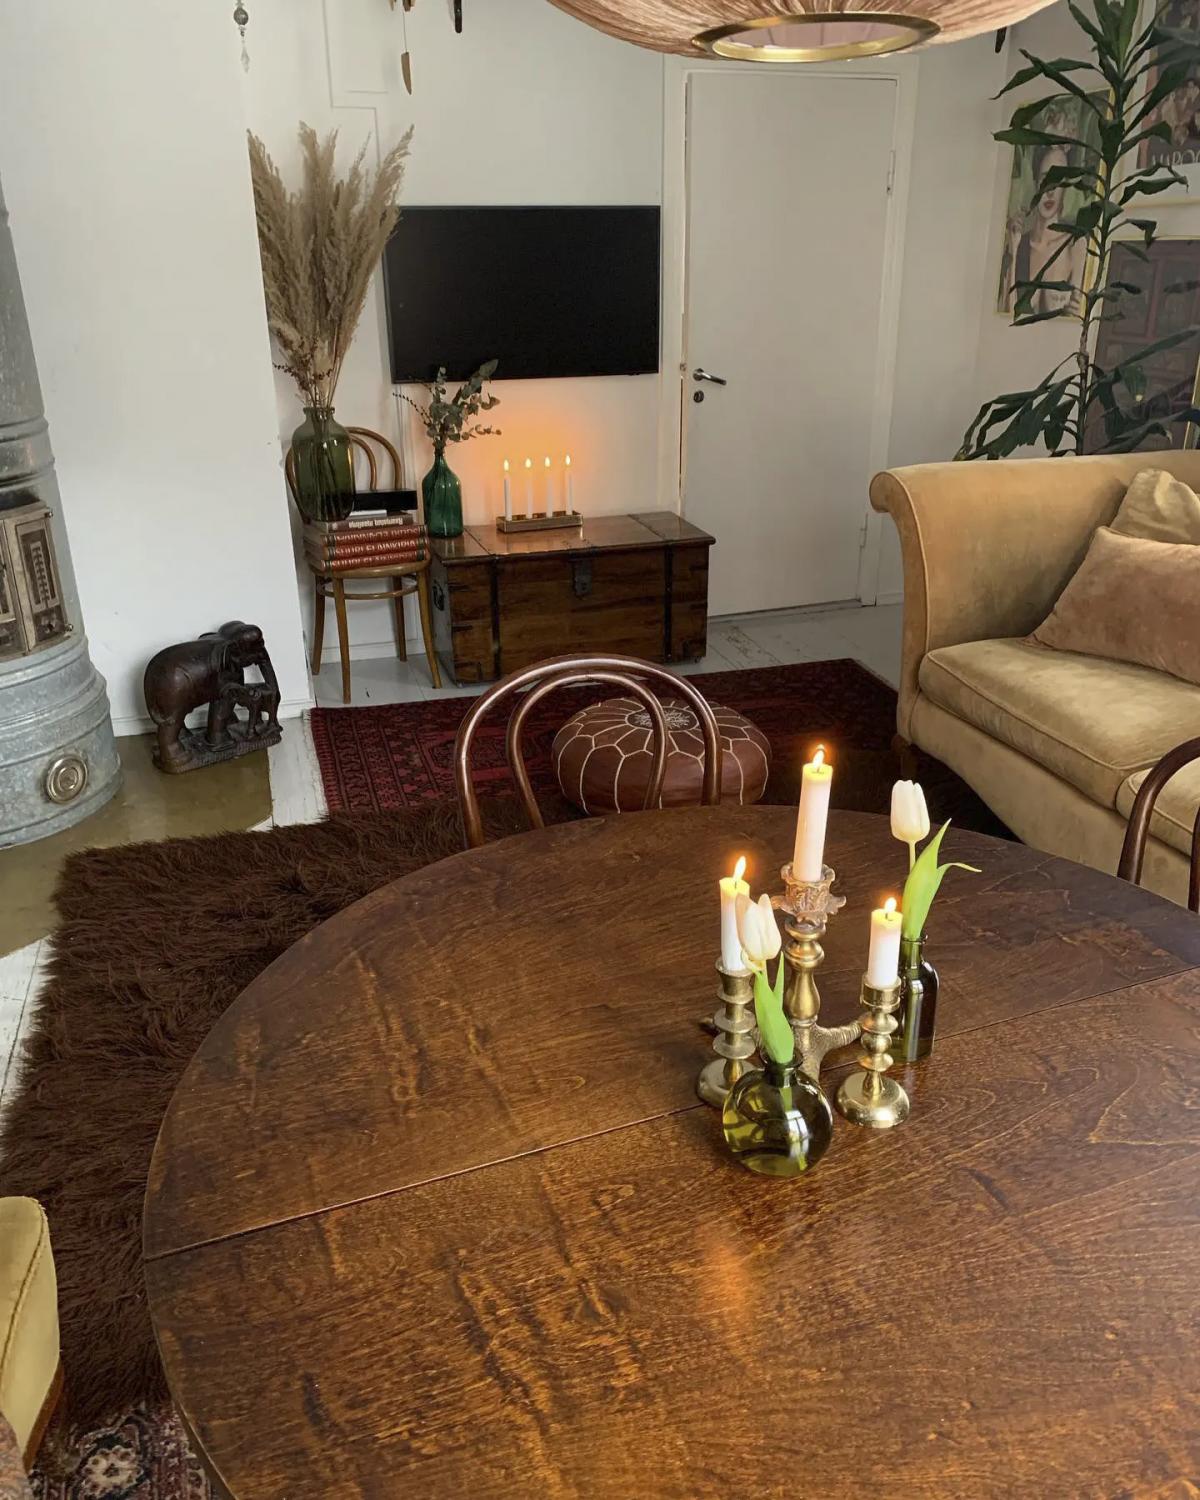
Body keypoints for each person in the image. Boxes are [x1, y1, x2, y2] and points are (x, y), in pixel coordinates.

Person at [999, 143, 1083, 316]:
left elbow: (1077, 317)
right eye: (1045, 179)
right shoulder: (1020, 244)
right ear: (1037, 183)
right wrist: (1014, 251)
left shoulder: (1075, 246)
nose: (1050, 191)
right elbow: (1009, 313)